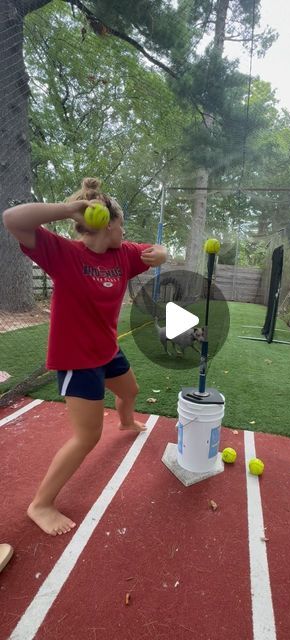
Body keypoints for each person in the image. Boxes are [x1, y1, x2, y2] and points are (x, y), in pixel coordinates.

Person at [3, 177, 167, 537]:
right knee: (87, 436)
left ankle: (125, 423)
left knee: (130, 391)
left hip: (107, 349)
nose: (125, 231)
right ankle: (41, 504)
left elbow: (157, 250)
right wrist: (67, 210)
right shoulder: (65, 254)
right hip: (78, 358)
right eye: (122, 224)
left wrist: (162, 253)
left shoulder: (121, 254)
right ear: (107, 225)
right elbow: (13, 218)